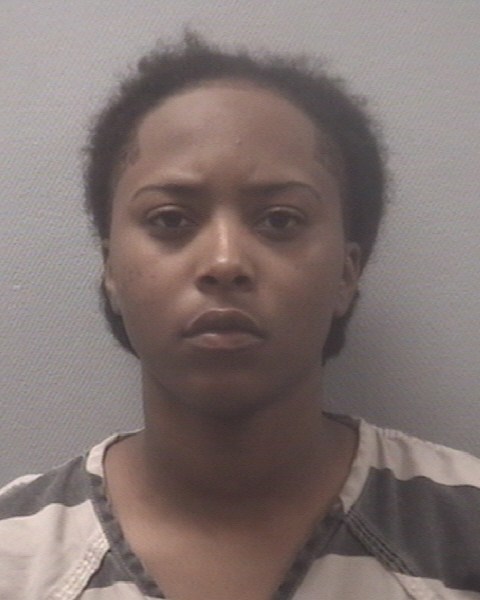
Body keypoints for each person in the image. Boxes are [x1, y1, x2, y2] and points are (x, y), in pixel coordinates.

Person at [1, 33, 479, 600]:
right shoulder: (15, 555)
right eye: (170, 220)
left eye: (280, 220)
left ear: (347, 273)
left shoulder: (463, 530)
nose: (225, 262)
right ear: (111, 269)